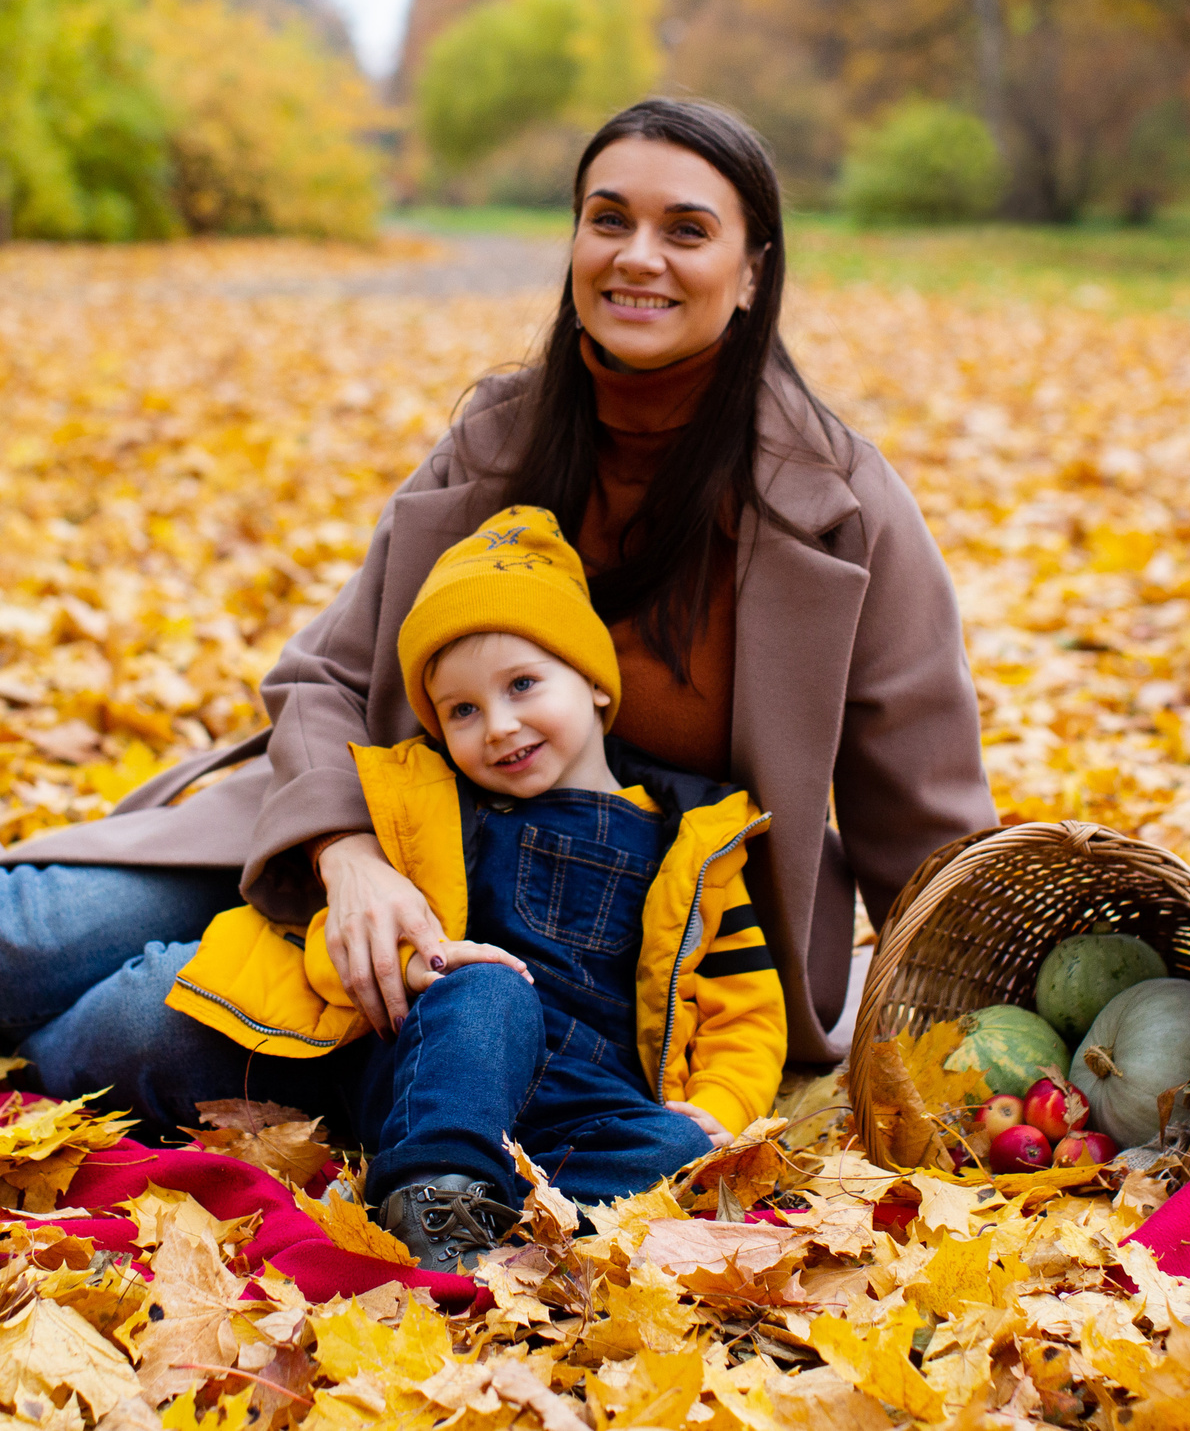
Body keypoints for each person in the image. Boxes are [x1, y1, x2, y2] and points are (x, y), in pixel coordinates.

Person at [0, 98, 993, 1135]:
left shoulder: (840, 507)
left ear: (755, 269)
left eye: (683, 228)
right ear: (572, 238)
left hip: (586, 965)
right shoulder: (505, 436)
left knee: (124, 1021)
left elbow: (933, 834)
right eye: (607, 217)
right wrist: (344, 851)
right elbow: (332, 676)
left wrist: (1000, 1041)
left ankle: (15, 1054)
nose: (636, 255)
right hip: (368, 850)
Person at [165, 504, 783, 1270]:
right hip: (443, 1059)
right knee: (494, 989)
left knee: (682, 1145)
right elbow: (334, 936)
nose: (497, 725)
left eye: (523, 684)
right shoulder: (436, 809)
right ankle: (434, 1185)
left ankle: (519, 1210)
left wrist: (724, 1104)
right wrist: (412, 964)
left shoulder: (690, 842)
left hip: (589, 1100)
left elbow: (746, 1006)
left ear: (593, 682)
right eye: (462, 709)